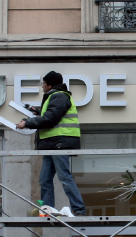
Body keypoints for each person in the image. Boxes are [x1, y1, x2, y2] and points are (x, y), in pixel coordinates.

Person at [15, 71, 85, 217]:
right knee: (44, 179)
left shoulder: (59, 96)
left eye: (43, 83)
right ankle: (47, 210)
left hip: (59, 142)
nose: (42, 86)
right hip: (52, 144)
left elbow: (51, 119)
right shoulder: (55, 97)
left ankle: (79, 210)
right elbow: (51, 114)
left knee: (64, 177)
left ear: (50, 84)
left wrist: (27, 123)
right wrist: (38, 111)